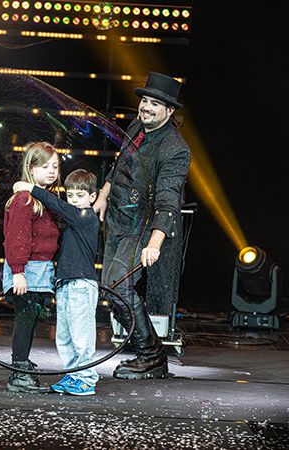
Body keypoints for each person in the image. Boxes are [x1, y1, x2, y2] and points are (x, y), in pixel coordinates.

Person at [93, 72, 191, 380]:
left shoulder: (174, 149)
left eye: (155, 104)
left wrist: (154, 243)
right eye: (145, 100)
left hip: (143, 227)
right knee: (111, 288)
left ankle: (152, 356)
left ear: (169, 111)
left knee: (117, 286)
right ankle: (149, 353)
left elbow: (168, 200)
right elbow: (119, 164)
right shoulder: (136, 125)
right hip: (118, 220)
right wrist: (103, 195)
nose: (146, 107)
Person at [13, 169, 99, 396]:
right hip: (66, 284)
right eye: (70, 195)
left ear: (92, 197)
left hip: (81, 284)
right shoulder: (73, 223)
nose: (74, 200)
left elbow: (58, 206)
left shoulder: (87, 217)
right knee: (64, 335)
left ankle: (86, 378)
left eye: (80, 195)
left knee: (81, 335)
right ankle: (73, 374)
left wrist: (31, 188)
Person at [2, 141, 61, 393]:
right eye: (45, 166)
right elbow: (17, 238)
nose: (51, 171)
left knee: (31, 319)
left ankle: (22, 363)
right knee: (25, 320)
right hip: (27, 269)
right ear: (30, 168)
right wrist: (18, 272)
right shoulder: (24, 199)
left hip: (40, 269)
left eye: (55, 166)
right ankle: (18, 371)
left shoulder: (44, 200)